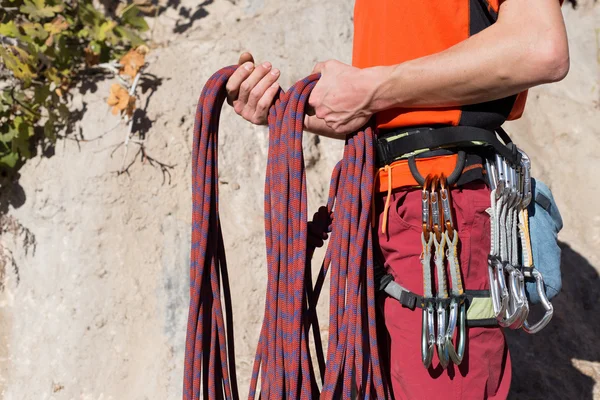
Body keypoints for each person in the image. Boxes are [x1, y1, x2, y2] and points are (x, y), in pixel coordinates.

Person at [225, 0, 569, 398]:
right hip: (384, 212)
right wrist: (288, 111)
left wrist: (370, 88)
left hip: (443, 214)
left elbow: (541, 46)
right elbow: (395, 114)